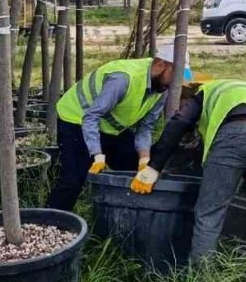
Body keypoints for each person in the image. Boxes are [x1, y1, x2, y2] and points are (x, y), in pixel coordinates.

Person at [142, 79, 246, 276]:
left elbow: (180, 122)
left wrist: (154, 167)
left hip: (236, 133)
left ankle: (200, 281)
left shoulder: (205, 91)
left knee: (209, 213)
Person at [47, 46, 183, 211]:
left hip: (109, 127)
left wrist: (144, 160)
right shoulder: (123, 79)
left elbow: (146, 127)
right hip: (76, 118)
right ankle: (51, 221)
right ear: (161, 65)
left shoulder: (162, 89)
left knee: (137, 168)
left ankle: (127, 215)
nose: (177, 82)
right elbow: (91, 117)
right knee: (73, 179)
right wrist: (97, 154)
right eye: (174, 75)